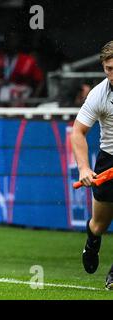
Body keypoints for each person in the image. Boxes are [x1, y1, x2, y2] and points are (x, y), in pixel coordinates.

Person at [71, 40, 113, 290]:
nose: (112, 74)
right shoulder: (99, 94)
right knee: (100, 223)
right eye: (108, 68)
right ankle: (92, 240)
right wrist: (84, 168)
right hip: (109, 159)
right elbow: (78, 132)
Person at [0, 31, 44, 107]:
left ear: (18, 41)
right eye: (8, 39)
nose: (11, 42)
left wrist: (32, 101)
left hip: (20, 101)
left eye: (13, 39)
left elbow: (39, 81)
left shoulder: (28, 60)